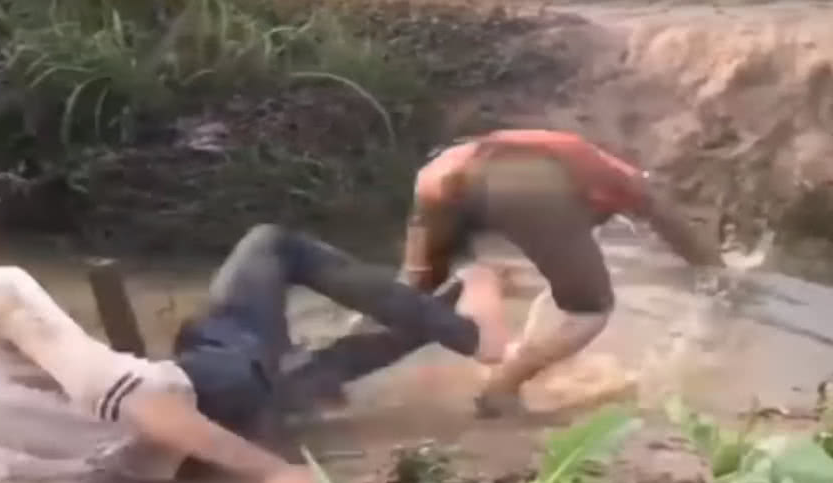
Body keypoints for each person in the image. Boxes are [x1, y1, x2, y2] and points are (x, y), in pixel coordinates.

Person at [0, 214, 498, 483]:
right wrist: (271, 473)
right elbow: (117, 391)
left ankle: (454, 311)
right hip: (203, 400)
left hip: (157, 461)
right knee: (272, 245)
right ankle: (475, 333)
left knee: (296, 378)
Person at [285, 130, 725, 417]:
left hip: (439, 179)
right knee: (592, 308)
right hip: (524, 180)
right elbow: (674, 224)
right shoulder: (622, 177)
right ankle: (502, 387)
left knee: (410, 294)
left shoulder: (518, 150)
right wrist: (718, 274)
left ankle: (322, 374)